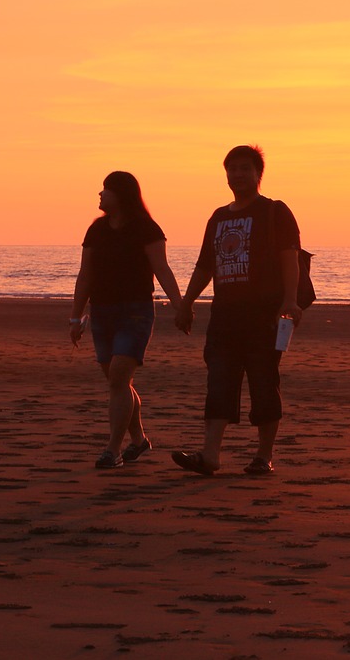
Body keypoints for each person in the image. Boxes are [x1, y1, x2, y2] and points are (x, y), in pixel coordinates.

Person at [172, 145, 303, 476]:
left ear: (259, 174)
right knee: (219, 383)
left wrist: (290, 300)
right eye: (232, 169)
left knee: (263, 383)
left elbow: (291, 258)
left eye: (245, 169)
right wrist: (186, 303)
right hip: (225, 317)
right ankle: (210, 455)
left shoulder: (274, 211)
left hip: (265, 316)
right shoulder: (219, 217)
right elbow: (206, 265)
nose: (237, 175)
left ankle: (264, 456)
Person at [70, 171, 185, 469]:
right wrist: (75, 316)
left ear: (121, 194)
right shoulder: (97, 230)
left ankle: (113, 449)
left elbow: (162, 270)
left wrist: (180, 306)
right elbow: (86, 275)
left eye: (106, 189)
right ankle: (139, 441)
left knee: (119, 378)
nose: (100, 194)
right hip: (102, 312)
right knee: (118, 382)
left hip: (135, 311)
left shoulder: (146, 228)